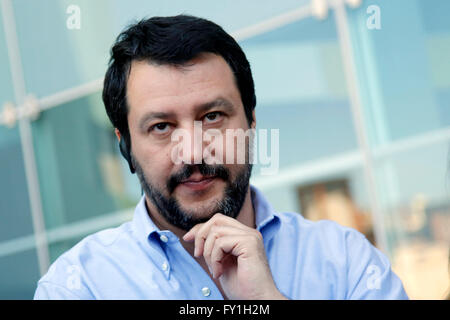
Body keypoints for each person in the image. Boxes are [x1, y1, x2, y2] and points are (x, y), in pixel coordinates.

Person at [34, 15, 408, 300]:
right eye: (161, 126)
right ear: (126, 146)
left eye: (212, 117)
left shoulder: (345, 263)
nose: (193, 152)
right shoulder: (78, 287)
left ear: (251, 121)